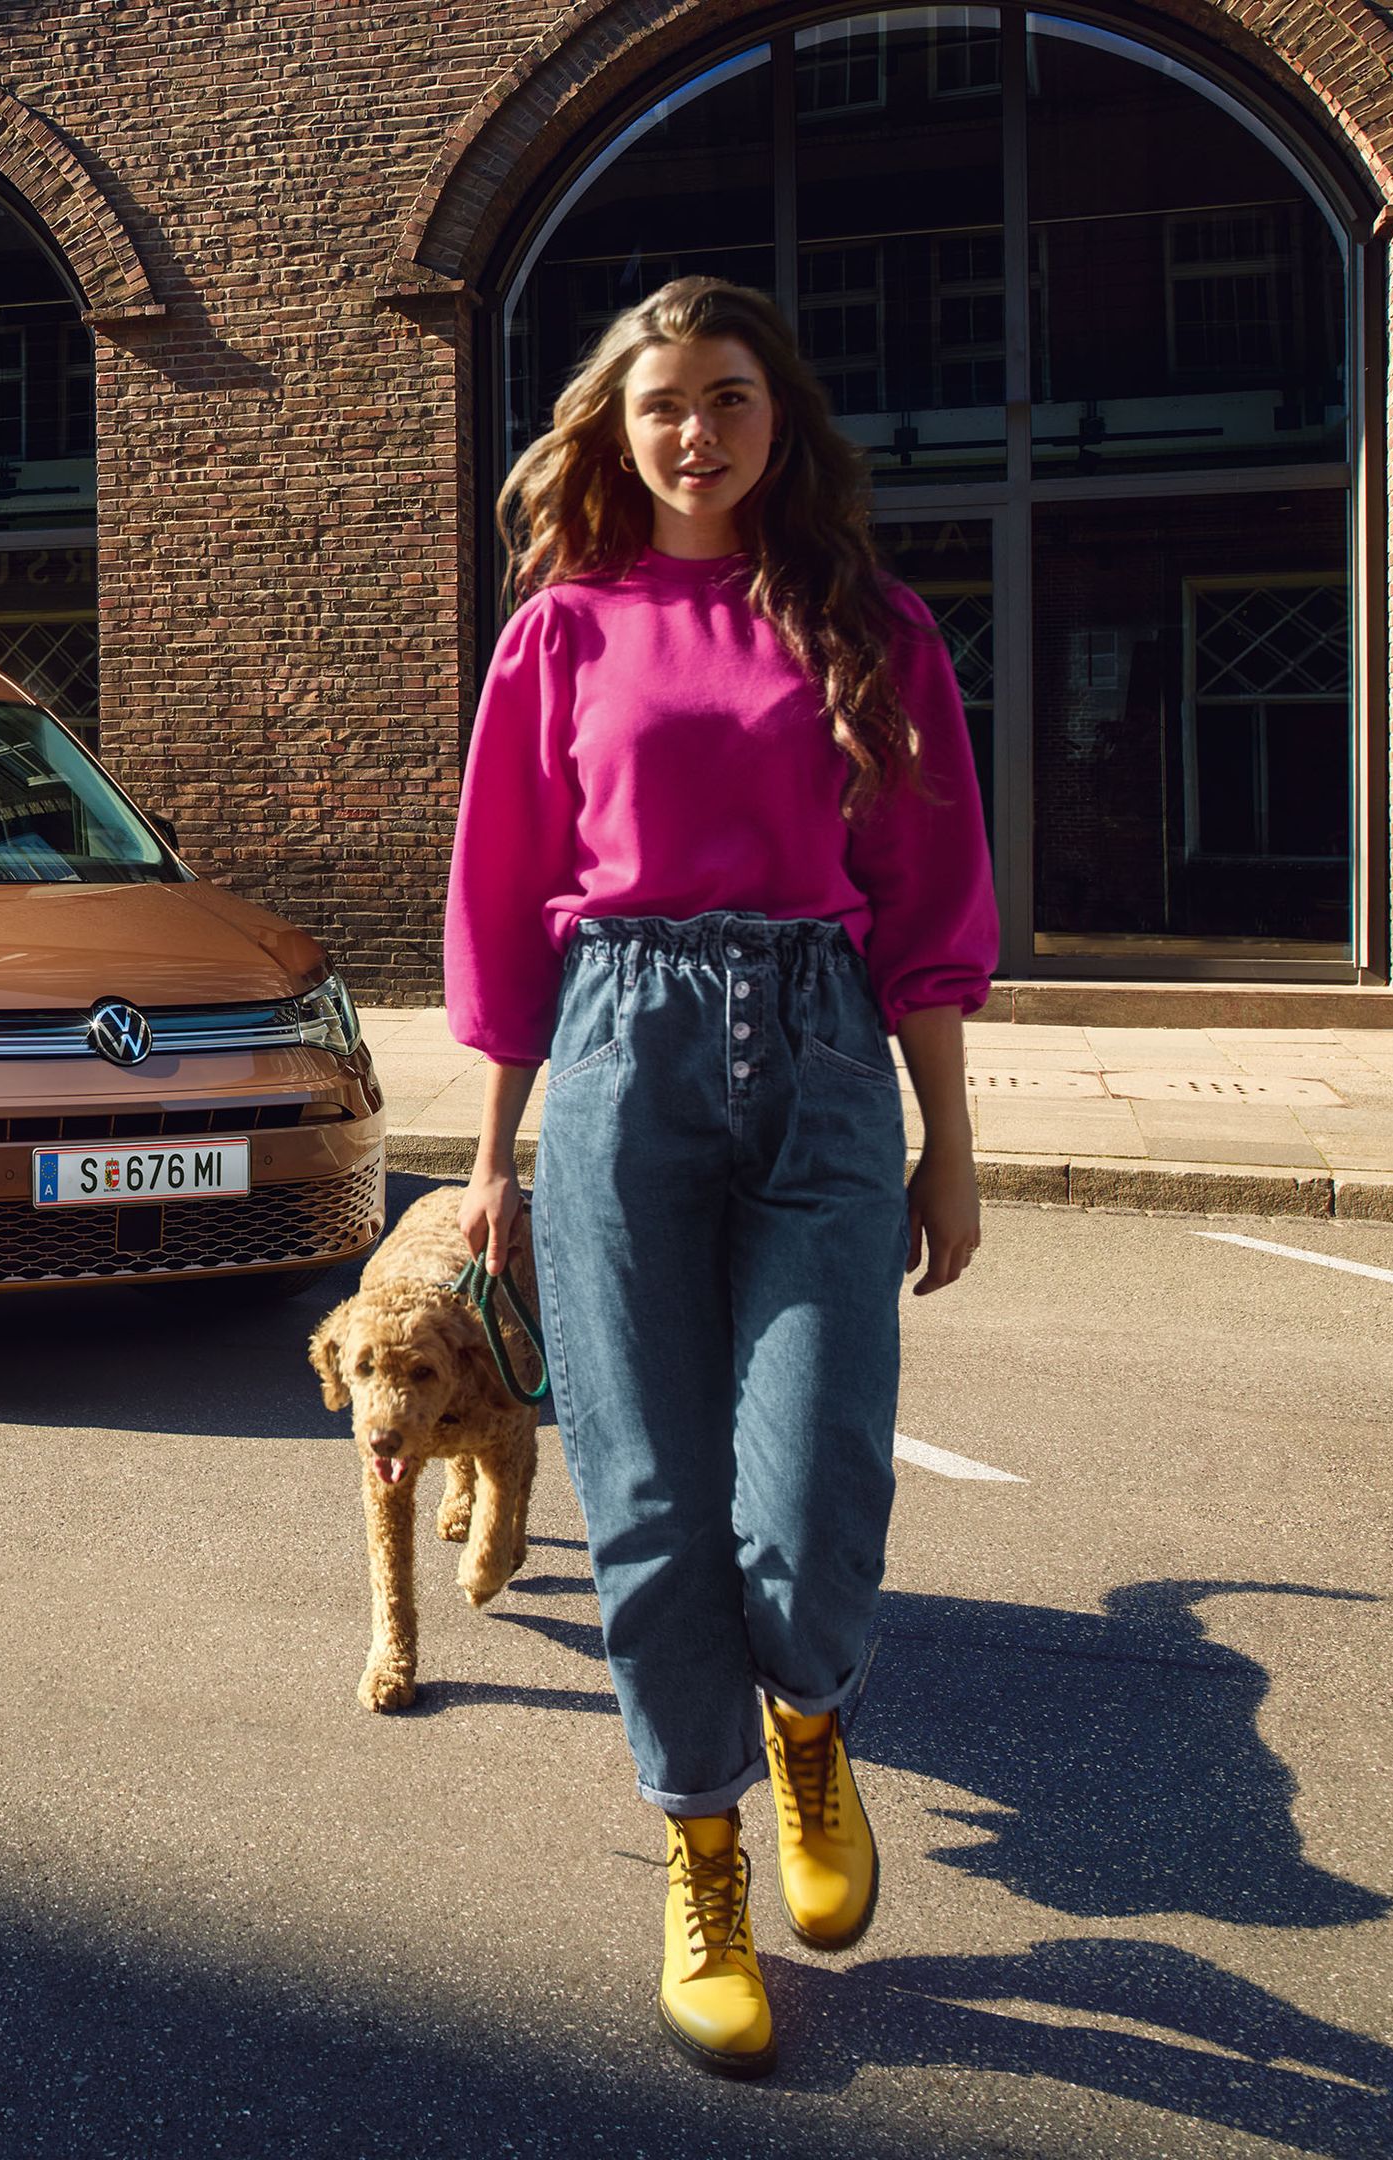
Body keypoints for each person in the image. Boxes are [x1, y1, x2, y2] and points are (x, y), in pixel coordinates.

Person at [444, 276, 991, 2080]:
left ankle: (812, 1721)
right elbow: (507, 906)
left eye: (731, 395)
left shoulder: (873, 624)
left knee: (815, 1476)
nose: (697, 428)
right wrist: (493, 1162)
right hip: (615, 1053)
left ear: (781, 418)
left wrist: (953, 1150)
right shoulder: (563, 632)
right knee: (651, 1502)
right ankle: (703, 1859)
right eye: (663, 400)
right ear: (619, 423)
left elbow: (927, 896)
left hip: (827, 1050)